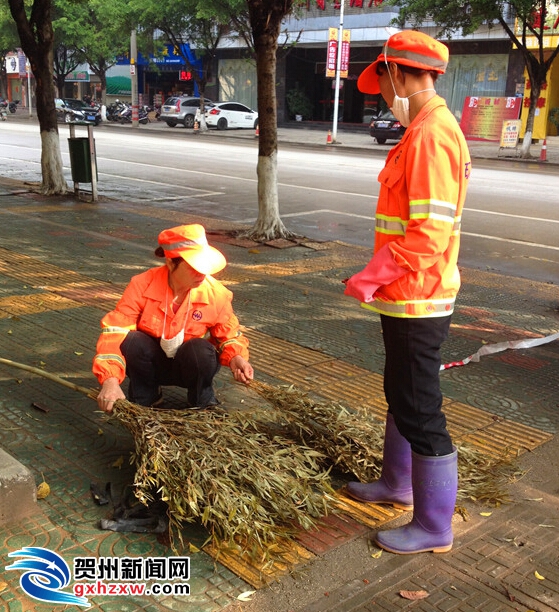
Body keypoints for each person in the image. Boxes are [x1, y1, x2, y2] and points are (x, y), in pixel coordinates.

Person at [343, 30, 471, 555]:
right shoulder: (422, 129)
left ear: (400, 72)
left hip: (418, 295)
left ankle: (435, 525)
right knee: (401, 392)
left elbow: (429, 234)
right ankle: (397, 486)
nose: (382, 92)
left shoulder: (431, 135)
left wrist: (374, 273)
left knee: (420, 407)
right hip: (406, 294)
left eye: (384, 80)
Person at [93, 224, 253, 413]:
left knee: (201, 350)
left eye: (205, 266)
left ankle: (202, 398)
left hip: (190, 366)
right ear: (170, 263)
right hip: (151, 364)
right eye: (194, 267)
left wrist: (237, 358)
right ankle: (146, 395)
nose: (202, 273)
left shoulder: (216, 294)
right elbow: (114, 333)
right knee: (132, 341)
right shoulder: (141, 285)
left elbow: (229, 335)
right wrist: (110, 380)